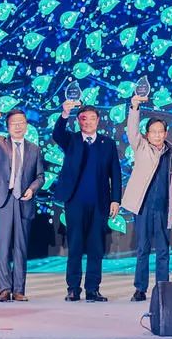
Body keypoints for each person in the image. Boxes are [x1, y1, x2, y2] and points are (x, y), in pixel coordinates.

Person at [52, 101, 122, 302]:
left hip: (100, 203)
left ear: (98, 121)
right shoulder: (71, 140)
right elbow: (57, 133)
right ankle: (73, 288)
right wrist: (65, 113)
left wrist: (115, 199)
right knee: (75, 246)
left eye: (92, 118)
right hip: (75, 202)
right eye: (84, 119)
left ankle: (93, 289)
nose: (88, 122)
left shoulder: (107, 143)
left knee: (96, 247)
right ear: (78, 121)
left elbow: (115, 173)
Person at [0, 106, 45, 302]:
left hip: (24, 200)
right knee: (3, 247)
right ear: (7, 126)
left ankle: (19, 290)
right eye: (14, 123)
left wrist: (32, 189)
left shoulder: (34, 149)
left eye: (21, 123)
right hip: (3, 200)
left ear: (26, 125)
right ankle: (4, 289)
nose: (18, 127)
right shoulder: (0, 143)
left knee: (20, 247)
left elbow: (40, 176)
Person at [120, 94, 172, 302]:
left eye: (160, 131)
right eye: (153, 132)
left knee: (163, 251)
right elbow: (132, 130)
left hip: (163, 207)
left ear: (165, 133)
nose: (157, 135)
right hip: (143, 207)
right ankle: (140, 289)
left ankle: (163, 289)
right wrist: (134, 107)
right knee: (143, 249)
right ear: (147, 134)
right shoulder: (141, 146)